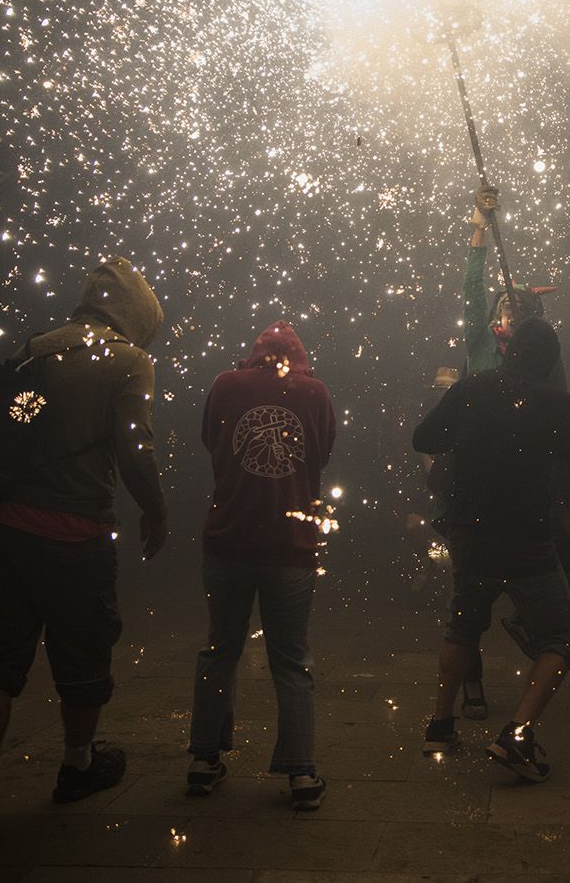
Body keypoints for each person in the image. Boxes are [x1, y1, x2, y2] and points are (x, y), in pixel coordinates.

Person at [0, 258, 168, 854]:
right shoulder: (127, 360)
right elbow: (135, 447)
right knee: (85, 652)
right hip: (74, 536)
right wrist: (157, 508)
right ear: (138, 311)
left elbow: (14, 426)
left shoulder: (35, 350)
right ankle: (76, 766)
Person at [414, 317, 570, 782]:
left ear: (510, 351)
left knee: (463, 624)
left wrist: (470, 432)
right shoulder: (561, 406)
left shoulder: (471, 390)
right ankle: (517, 735)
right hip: (527, 537)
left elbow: (424, 439)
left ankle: (440, 725)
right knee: (561, 637)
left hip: (469, 533)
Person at [186, 321, 337, 810]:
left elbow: (212, 441)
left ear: (254, 354)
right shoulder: (315, 392)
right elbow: (323, 453)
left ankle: (203, 761)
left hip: (228, 542)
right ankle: (301, 773)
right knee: (292, 660)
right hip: (291, 546)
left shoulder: (226, 385)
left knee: (219, 650)